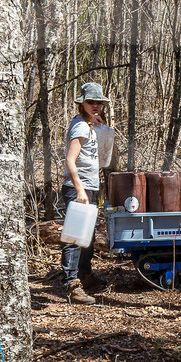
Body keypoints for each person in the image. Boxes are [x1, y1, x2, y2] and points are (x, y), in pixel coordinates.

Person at [58, 83, 109, 304]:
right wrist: (79, 189)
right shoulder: (80, 126)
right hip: (79, 187)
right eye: (91, 102)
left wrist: (99, 126)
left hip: (90, 186)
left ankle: (85, 275)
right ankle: (72, 284)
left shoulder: (89, 124)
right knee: (75, 237)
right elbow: (70, 159)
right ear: (82, 104)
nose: (96, 106)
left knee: (86, 236)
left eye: (99, 102)